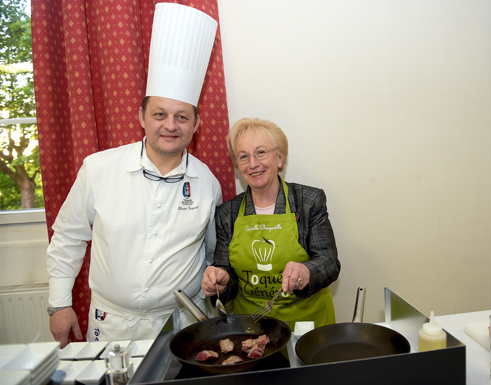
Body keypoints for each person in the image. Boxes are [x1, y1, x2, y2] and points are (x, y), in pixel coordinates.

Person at [46, 4, 221, 348]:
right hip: (111, 325)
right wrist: (60, 303)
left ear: (196, 124)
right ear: (141, 116)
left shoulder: (207, 183)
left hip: (182, 323)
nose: (170, 125)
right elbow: (67, 238)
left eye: (182, 117)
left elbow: (213, 254)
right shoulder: (98, 168)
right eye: (160, 114)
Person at [201, 118, 340, 331]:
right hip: (252, 325)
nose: (253, 163)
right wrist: (221, 280)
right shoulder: (227, 213)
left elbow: (329, 262)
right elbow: (226, 272)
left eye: (261, 152)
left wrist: (305, 271)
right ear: (237, 165)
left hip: (307, 323)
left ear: (280, 159)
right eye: (244, 156)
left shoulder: (308, 200)